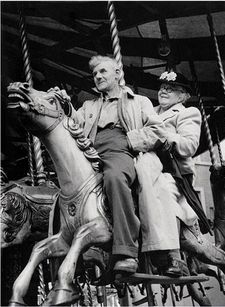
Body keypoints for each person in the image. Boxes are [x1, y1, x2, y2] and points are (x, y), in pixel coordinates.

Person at [70, 55, 167, 273]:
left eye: (103, 71)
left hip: (120, 147)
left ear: (117, 73)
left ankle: (126, 251)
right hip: (90, 151)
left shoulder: (138, 101)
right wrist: (63, 103)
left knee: (114, 178)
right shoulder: (88, 106)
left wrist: (130, 140)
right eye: (95, 74)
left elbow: (158, 131)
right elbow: (71, 124)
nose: (98, 76)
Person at [135, 71, 210, 277]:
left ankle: (173, 255)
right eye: (162, 87)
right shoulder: (149, 111)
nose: (163, 91)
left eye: (170, 88)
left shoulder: (188, 113)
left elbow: (188, 146)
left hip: (172, 171)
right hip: (145, 164)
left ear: (182, 95)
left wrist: (161, 135)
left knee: (163, 189)